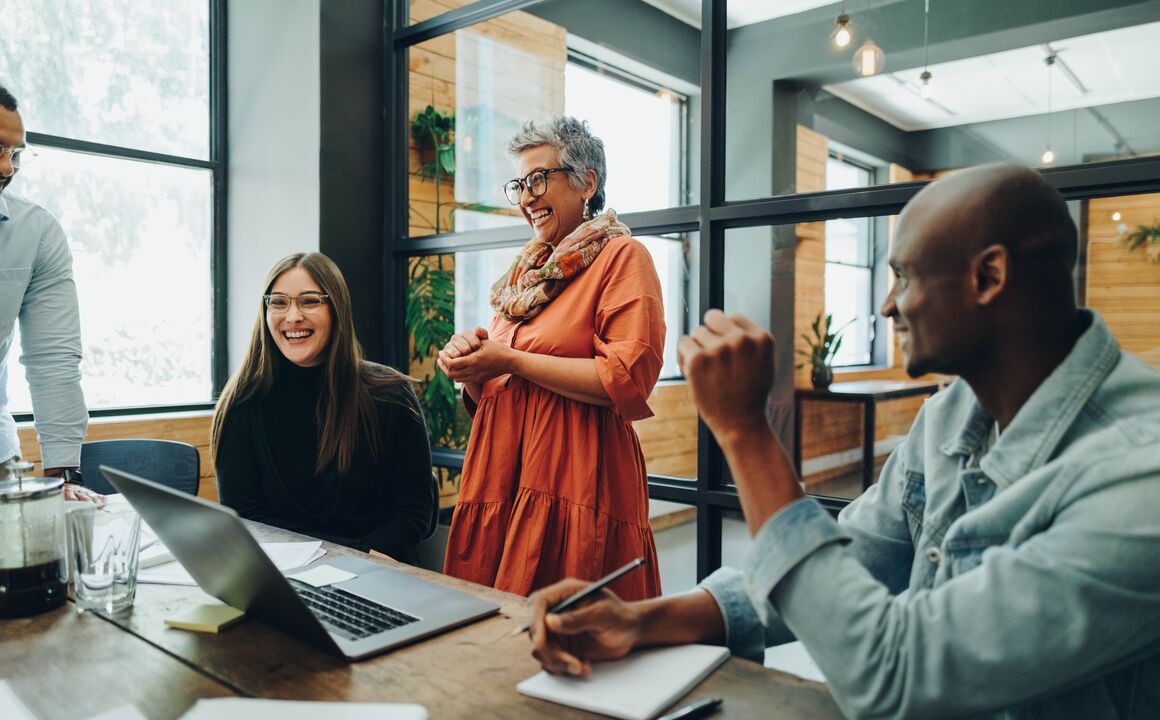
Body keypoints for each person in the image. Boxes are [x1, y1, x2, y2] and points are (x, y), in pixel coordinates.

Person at [526, 164, 1160, 719]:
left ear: (989, 276)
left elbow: (895, 675)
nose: (887, 306)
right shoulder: (952, 416)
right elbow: (846, 562)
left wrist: (745, 432)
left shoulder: (1138, 477)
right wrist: (644, 620)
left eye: (905, 276)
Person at [438, 116, 664, 600]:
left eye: (539, 178)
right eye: (519, 184)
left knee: (573, 635)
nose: (526, 197)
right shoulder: (524, 276)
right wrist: (472, 367)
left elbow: (624, 379)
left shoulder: (623, 257)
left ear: (588, 182)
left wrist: (510, 360)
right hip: (502, 476)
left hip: (576, 480)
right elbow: (495, 393)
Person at [212, 252, 435, 564]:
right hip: (283, 577)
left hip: (378, 572)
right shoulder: (241, 403)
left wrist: (356, 559)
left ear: (336, 309)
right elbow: (247, 520)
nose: (292, 316)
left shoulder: (391, 394)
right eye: (279, 302)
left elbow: (415, 514)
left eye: (309, 301)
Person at [0, 83, 97, 502]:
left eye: (15, 154)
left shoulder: (35, 232)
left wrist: (63, 479)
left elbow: (53, 358)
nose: (7, 168)